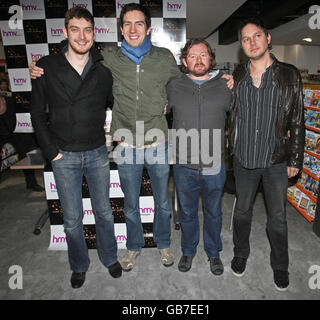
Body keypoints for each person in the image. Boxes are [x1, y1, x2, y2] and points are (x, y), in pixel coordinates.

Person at [30, 3, 233, 272]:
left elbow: (189, 80)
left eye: (139, 24)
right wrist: (41, 65)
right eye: (127, 24)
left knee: (162, 203)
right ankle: (134, 247)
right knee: (130, 204)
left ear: (149, 29)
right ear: (121, 29)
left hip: (158, 143)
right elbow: (74, 50)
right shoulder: (108, 58)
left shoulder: (164, 58)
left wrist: (223, 78)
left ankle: (163, 243)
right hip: (125, 143)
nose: (133, 29)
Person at [30, 7, 122, 289]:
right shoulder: (46, 66)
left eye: (87, 30)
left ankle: (109, 258)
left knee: (104, 212)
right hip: (63, 155)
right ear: (65, 32)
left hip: (96, 152)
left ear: (94, 33)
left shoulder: (104, 71)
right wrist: (52, 152)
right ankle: (79, 264)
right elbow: (36, 114)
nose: (81, 36)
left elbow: (115, 103)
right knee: (71, 219)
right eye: (75, 29)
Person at [228, 18, 305, 291]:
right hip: (244, 159)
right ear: (242, 45)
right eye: (246, 39)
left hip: (275, 160)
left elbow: (297, 119)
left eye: (256, 36)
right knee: (242, 213)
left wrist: (296, 158)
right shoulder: (237, 76)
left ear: (268, 38)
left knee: (278, 218)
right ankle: (240, 254)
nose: (252, 42)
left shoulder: (289, 75)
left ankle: (281, 266)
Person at [166, 39, 232, 275]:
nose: (199, 60)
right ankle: (188, 250)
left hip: (215, 164)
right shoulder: (173, 85)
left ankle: (213, 253)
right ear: (184, 61)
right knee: (188, 213)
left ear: (210, 59)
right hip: (184, 165)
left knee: (214, 212)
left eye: (203, 55)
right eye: (193, 56)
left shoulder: (226, 86)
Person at [0, 95, 43, 191]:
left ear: (3, 100)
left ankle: (31, 183)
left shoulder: (14, 104)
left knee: (25, 154)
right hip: (3, 133)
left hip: (18, 132)